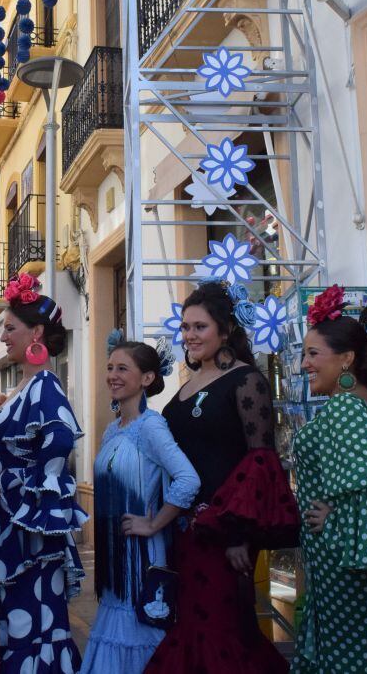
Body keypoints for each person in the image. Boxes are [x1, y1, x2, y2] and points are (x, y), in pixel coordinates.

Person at [144, 280, 299, 674]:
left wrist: (238, 536)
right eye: (185, 327)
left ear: (225, 330)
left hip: (225, 535)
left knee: (223, 631)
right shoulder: (188, 383)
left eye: (200, 327)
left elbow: (259, 462)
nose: (190, 336)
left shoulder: (247, 380)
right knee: (192, 625)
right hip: (183, 530)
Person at [291, 286, 367, 673]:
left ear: (346, 359)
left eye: (312, 354)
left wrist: (334, 524)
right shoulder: (355, 402)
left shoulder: (345, 408)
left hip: (345, 569)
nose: (303, 364)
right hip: (340, 562)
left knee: (350, 661)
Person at [0, 273, 87, 673]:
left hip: (29, 536)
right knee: (21, 620)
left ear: (36, 332)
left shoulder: (45, 383)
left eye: (10, 328)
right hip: (14, 530)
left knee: (33, 620)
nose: (4, 337)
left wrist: (31, 503)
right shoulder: (25, 388)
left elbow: (60, 439)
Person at [80, 337, 200, 674]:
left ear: (146, 378)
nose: (112, 376)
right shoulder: (112, 430)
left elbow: (188, 480)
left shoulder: (152, 427)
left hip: (142, 560)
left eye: (122, 368)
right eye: (109, 368)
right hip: (116, 563)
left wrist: (154, 523)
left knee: (141, 640)